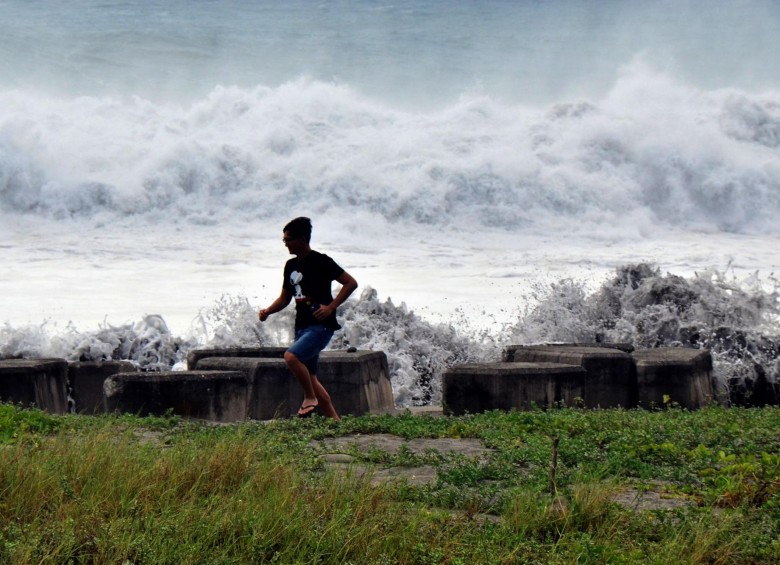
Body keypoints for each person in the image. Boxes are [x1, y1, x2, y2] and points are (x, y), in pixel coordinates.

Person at [258, 217, 358, 419]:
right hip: (302, 326)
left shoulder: (322, 261)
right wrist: (268, 310)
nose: (285, 243)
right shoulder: (290, 266)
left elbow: (350, 283)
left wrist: (331, 307)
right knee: (310, 376)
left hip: (321, 326)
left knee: (291, 357)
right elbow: (285, 298)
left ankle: (310, 399)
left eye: (289, 239)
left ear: (303, 239)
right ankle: (335, 422)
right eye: (284, 240)